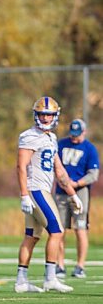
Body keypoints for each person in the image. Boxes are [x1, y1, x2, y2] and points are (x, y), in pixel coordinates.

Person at [14, 96, 83, 293]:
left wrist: (72, 194)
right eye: (42, 114)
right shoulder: (29, 136)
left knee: (32, 236)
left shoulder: (51, 138)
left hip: (40, 190)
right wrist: (24, 195)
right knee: (57, 232)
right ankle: (50, 278)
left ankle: (21, 281)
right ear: (36, 115)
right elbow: (21, 166)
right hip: (36, 190)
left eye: (49, 114)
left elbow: (59, 170)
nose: (45, 118)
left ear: (55, 115)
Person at [55, 119, 100, 279]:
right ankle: (59, 265)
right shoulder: (60, 144)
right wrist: (64, 183)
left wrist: (76, 183)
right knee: (58, 230)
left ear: (84, 132)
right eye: (72, 134)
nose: (74, 138)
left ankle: (80, 266)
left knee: (80, 229)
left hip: (80, 193)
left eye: (77, 135)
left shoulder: (89, 149)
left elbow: (93, 174)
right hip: (61, 192)